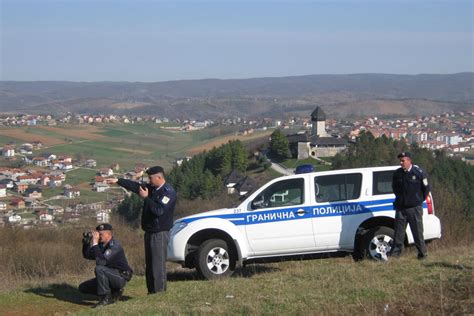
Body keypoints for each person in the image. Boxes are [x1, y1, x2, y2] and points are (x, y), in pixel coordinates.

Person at [107, 166, 176, 294]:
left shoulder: (168, 192)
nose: (149, 181)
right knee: (150, 264)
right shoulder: (153, 188)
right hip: (150, 232)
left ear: (159, 177)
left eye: (151, 178)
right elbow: (135, 187)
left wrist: (146, 198)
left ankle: (159, 292)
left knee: (158, 264)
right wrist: (118, 181)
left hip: (159, 233)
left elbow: (159, 210)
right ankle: (152, 291)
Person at [79, 223, 133, 307]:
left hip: (120, 277)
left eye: (101, 234)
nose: (99, 236)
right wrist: (86, 244)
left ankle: (106, 298)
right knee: (83, 287)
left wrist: (95, 244)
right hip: (108, 276)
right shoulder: (101, 245)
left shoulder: (115, 245)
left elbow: (101, 262)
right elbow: (87, 255)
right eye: (98, 234)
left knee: (99, 269)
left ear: (108, 233)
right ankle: (114, 292)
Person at [390, 152, 430, 259]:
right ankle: (394, 256)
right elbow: (395, 188)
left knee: (417, 233)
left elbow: (426, 189)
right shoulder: (397, 174)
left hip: (414, 208)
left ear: (409, 160)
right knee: (398, 234)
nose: (401, 163)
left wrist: (418, 201)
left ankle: (422, 254)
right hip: (401, 208)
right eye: (400, 161)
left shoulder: (418, 173)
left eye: (403, 161)